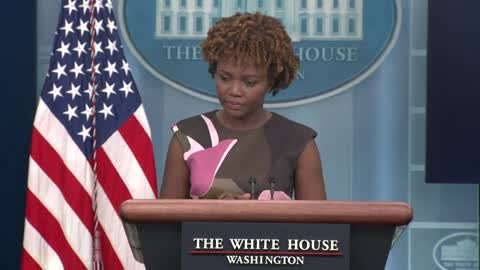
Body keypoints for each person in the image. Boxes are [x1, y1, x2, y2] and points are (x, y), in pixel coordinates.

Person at [159, 12, 326, 200]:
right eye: (225, 78)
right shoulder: (187, 136)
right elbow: (167, 224)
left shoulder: (299, 142)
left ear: (270, 82)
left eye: (250, 82)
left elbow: (318, 225)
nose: (235, 90)